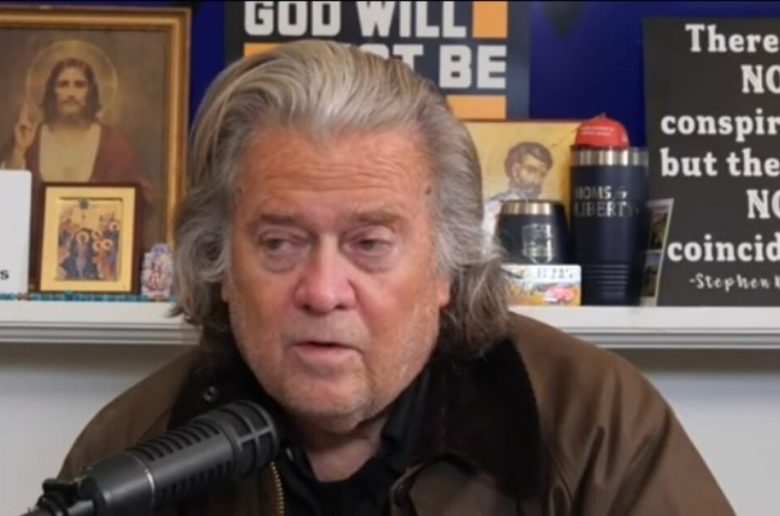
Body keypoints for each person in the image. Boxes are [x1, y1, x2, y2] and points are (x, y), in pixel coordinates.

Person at [57, 41, 734, 515]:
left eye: (370, 244)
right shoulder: (131, 449)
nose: (323, 291)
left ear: (446, 266)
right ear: (221, 265)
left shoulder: (597, 425)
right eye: (280, 243)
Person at [0, 57, 155, 274]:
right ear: (52, 91)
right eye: (63, 84)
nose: (71, 93)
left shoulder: (113, 145)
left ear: (90, 91)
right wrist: (18, 151)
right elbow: (7, 201)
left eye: (79, 85)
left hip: (97, 263)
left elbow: (142, 199)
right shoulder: (30, 139)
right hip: (34, 263)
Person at [483, 141, 554, 235]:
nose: (536, 180)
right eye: (531, 171)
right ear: (515, 171)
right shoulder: (490, 209)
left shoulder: (545, 212)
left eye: (542, 174)